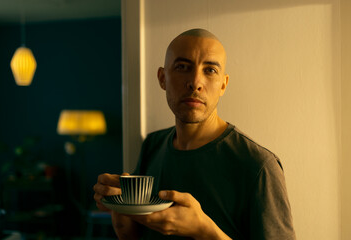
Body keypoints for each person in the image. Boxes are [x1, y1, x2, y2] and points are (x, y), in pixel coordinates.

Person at [93, 28, 296, 240]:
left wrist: (205, 231)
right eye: (182, 67)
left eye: (210, 70)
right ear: (162, 78)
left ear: (223, 85)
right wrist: (121, 215)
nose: (195, 82)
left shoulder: (259, 166)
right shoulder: (153, 145)